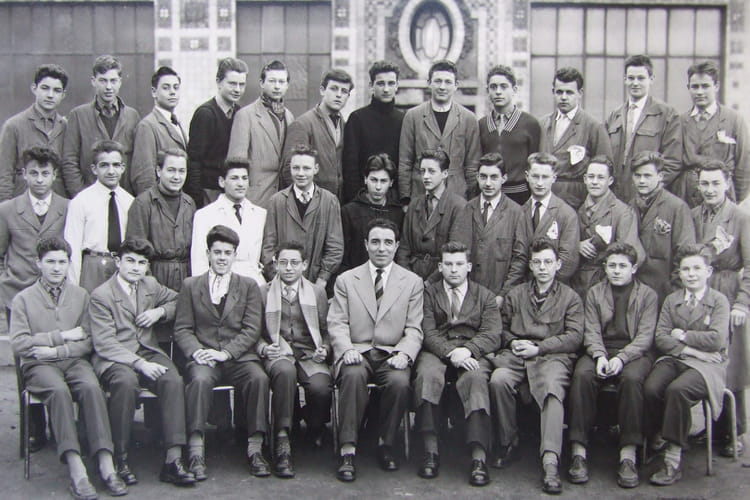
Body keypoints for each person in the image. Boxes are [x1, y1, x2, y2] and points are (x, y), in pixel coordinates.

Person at [10, 237, 127, 500]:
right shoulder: (23, 299)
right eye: (50, 262)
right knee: (59, 392)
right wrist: (60, 336)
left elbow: (88, 340)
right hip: (38, 365)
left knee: (92, 388)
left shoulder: (81, 295)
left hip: (73, 361)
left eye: (62, 262)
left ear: (68, 264)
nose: (56, 268)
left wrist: (57, 350)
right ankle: (77, 469)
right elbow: (19, 343)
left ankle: (106, 463)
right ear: (38, 263)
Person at [89, 238, 195, 487]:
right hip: (116, 358)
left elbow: (179, 299)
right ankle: (120, 457)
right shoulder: (101, 295)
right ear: (118, 262)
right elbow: (104, 343)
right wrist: (139, 364)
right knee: (125, 384)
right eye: (130, 261)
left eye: (142, 263)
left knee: (172, 379)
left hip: (148, 350)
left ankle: (173, 460)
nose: (136, 268)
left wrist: (159, 312)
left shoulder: (150, 284)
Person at [328, 218, 423, 482]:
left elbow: (414, 328)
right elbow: (337, 322)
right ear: (366, 244)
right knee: (352, 375)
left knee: (399, 382)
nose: (382, 248)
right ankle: (348, 449)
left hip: (391, 352)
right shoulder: (347, 280)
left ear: (397, 246)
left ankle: (386, 443)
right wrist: (346, 349)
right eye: (376, 242)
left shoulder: (412, 282)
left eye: (388, 242)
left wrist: (404, 354)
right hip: (357, 350)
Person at [175, 225, 272, 479]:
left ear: (235, 255)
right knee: (198, 380)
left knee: (258, 378)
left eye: (227, 253)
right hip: (204, 358)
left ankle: (255, 448)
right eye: (217, 252)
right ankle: (196, 450)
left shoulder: (248, 286)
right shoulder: (191, 285)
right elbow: (183, 328)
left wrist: (227, 353)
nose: (222, 258)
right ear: (208, 253)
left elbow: (252, 329)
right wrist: (197, 351)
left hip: (238, 357)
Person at [490, 238, 583, 494]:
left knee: (552, 389)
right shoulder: (516, 294)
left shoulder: (571, 298)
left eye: (548, 262)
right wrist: (513, 342)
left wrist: (540, 348)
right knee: (498, 380)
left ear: (558, 265)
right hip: (517, 355)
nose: (543, 267)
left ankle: (550, 460)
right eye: (538, 262)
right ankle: (509, 442)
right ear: (530, 265)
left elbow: (575, 336)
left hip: (553, 356)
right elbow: (500, 328)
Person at [567, 243, 658, 488]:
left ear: (633, 268)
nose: (616, 271)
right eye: (612, 266)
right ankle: (578, 452)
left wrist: (622, 358)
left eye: (622, 266)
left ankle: (628, 455)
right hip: (601, 350)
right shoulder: (595, 292)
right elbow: (591, 330)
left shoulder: (648, 295)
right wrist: (599, 356)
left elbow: (645, 337)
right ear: (605, 267)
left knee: (632, 380)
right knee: (582, 375)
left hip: (634, 353)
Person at [414, 241, 501, 486]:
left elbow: (493, 333)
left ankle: (478, 457)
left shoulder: (485, 296)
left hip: (472, 351)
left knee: (476, 379)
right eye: (449, 264)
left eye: (459, 264)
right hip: (438, 350)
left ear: (469, 267)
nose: (454, 270)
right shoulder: (429, 293)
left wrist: (468, 350)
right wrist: (450, 352)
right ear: (440, 267)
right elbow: (427, 331)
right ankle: (430, 451)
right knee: (427, 375)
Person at [644, 244, 730, 486]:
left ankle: (672, 459)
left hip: (708, 366)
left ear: (708, 272)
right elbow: (661, 337)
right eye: (685, 269)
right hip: (678, 357)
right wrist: (692, 350)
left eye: (696, 269)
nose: (691, 274)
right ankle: (661, 433)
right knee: (650, 387)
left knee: (678, 390)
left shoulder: (719, 301)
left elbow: (717, 339)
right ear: (679, 273)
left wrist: (682, 335)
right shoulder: (672, 300)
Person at [257, 241, 333, 473]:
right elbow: (255, 332)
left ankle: (314, 425)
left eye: (294, 263)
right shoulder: (263, 292)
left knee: (321, 387)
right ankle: (283, 437)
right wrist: (264, 348)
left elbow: (328, 330)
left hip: (309, 352)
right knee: (285, 373)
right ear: (275, 264)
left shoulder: (317, 292)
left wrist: (325, 348)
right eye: (283, 263)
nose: (288, 268)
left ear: (304, 265)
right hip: (278, 351)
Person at [691, 159, 750, 457]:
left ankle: (735, 431)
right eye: (705, 183)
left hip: (726, 289)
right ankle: (712, 426)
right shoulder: (693, 215)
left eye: (716, 183)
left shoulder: (739, 217)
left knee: (731, 363)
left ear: (727, 183)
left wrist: (742, 302)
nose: (710, 189)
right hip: (699, 290)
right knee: (705, 356)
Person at [262, 144, 343, 289]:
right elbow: (268, 246)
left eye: (306, 168)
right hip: (282, 281)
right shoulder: (277, 201)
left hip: (315, 280)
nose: (300, 173)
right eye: (296, 168)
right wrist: (278, 279)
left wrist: (322, 280)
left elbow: (335, 247)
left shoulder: (329, 201)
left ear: (316, 169)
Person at [399, 59, 480, 204]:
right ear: (429, 83)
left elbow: (472, 166)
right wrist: (406, 200)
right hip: (421, 195)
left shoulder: (469, 118)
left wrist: (472, 202)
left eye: (448, 82)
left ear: (456, 85)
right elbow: (405, 162)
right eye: (438, 81)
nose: (442, 87)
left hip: (457, 195)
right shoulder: (413, 116)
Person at [454, 153, 528, 309]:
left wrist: (503, 294)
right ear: (477, 177)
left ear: (504, 178)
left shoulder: (516, 213)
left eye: (494, 177)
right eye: (483, 177)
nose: (488, 183)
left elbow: (519, 259)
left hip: (499, 296)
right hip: (468, 294)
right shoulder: (467, 208)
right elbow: (458, 252)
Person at [0, 146, 69, 315]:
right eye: (33, 173)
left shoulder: (68, 208)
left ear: (54, 175)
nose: (39, 180)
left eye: (45, 174)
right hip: (15, 293)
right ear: (24, 174)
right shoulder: (7, 209)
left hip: (55, 294)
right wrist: (5, 281)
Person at [605, 55, 681, 202]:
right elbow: (606, 157)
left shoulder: (666, 115)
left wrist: (650, 191)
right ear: (625, 79)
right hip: (617, 197)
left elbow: (673, 162)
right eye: (631, 78)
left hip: (650, 199)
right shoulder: (614, 116)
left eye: (641, 78)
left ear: (651, 79)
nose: (635, 83)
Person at [62, 55, 140, 197]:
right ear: (93, 81)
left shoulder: (132, 116)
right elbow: (69, 162)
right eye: (103, 81)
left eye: (113, 81)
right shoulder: (78, 115)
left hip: (123, 197)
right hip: (90, 197)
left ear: (120, 82)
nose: (108, 87)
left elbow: (137, 162)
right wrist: (83, 196)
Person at [676, 61, 750, 207]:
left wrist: (734, 199)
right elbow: (673, 162)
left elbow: (744, 164)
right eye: (695, 87)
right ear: (688, 88)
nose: (700, 92)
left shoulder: (734, 120)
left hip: (722, 196)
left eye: (705, 86)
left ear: (716, 86)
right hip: (686, 197)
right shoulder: (679, 121)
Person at [64, 140, 134, 292]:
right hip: (93, 265)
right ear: (94, 169)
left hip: (121, 266)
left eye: (116, 165)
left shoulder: (129, 201)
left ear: (123, 168)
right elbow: (73, 247)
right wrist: (73, 288)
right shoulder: (81, 201)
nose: (111, 171)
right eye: (104, 165)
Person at [539, 67, 611, 209]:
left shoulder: (593, 126)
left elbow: (605, 168)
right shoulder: (542, 124)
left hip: (576, 202)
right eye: (559, 92)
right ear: (553, 92)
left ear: (580, 93)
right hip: (545, 197)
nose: (564, 97)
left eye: (569, 92)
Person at [629, 151, 695, 304]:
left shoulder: (676, 207)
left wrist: (675, 292)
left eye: (647, 176)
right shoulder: (630, 206)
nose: (642, 180)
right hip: (635, 290)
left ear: (660, 176)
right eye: (637, 175)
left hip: (664, 292)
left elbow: (686, 253)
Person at [573, 156, 644, 298]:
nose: (595, 182)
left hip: (607, 285)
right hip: (578, 282)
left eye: (600, 178)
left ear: (610, 181)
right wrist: (577, 245)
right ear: (585, 179)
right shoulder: (578, 208)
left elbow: (630, 253)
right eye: (591, 177)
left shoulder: (622, 212)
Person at [226, 59, 293, 208]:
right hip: (254, 198)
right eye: (272, 81)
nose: (277, 86)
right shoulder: (245, 115)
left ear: (287, 85)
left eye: (281, 82)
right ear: (262, 83)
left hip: (283, 199)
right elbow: (236, 163)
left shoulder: (289, 116)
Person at [126, 148, 195, 291]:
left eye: (181, 171)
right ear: (158, 171)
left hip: (185, 277)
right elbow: (136, 251)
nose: (177, 177)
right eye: (171, 170)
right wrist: (150, 286)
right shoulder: (143, 203)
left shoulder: (189, 204)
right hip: (155, 277)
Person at [191, 158, 266, 285]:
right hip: (220, 284)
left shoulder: (260, 214)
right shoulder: (205, 215)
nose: (240, 184)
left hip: (254, 284)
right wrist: (202, 290)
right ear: (222, 182)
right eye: (234, 178)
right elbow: (199, 261)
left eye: (244, 178)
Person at [281, 69, 353, 198]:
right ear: (322, 90)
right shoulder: (302, 124)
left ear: (348, 96)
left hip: (338, 202)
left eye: (344, 91)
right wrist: (308, 200)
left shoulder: (345, 125)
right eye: (334, 89)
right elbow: (289, 169)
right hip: (311, 202)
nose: (339, 95)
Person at [0, 64, 68, 201]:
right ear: (34, 88)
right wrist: (5, 207)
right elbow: (4, 173)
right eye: (45, 88)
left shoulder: (66, 126)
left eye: (56, 90)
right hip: (23, 202)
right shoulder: (13, 125)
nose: (50, 95)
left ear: (63, 95)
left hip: (57, 204)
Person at [187, 57, 249, 207]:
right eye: (232, 83)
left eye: (241, 84)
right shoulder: (205, 114)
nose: (237, 89)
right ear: (218, 82)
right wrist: (197, 200)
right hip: (209, 193)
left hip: (232, 192)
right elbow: (194, 162)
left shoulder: (240, 113)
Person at [397, 149, 465, 280]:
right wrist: (408, 280)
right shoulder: (414, 204)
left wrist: (429, 283)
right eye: (422, 171)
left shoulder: (458, 206)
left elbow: (453, 254)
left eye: (431, 171)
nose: (426, 176)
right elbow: (403, 249)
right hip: (411, 277)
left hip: (441, 279)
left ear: (445, 173)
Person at [342, 60, 404, 203]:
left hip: (394, 202)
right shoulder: (357, 119)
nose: (386, 89)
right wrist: (357, 201)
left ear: (397, 86)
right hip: (362, 199)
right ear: (371, 86)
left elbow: (405, 164)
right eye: (381, 84)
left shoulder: (404, 119)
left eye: (391, 83)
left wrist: (400, 200)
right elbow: (350, 166)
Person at [478, 64, 541, 205]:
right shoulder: (481, 125)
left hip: (520, 196)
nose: (498, 92)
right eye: (493, 87)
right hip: (489, 194)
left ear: (514, 90)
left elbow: (535, 165)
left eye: (503, 87)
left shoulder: (530, 123)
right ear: (488, 91)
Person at [341, 153, 404, 273]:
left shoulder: (397, 213)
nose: (378, 187)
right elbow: (344, 255)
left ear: (391, 182)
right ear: (365, 179)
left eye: (383, 181)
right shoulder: (349, 212)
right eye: (373, 180)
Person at [522, 152, 579, 282]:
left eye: (545, 177)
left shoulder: (566, 214)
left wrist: (543, 283)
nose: (539, 183)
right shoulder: (520, 212)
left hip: (554, 286)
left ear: (554, 178)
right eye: (535, 176)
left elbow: (568, 261)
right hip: (524, 286)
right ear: (527, 176)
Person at [130, 66, 187, 196]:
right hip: (160, 201)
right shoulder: (147, 126)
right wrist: (153, 206)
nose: (172, 92)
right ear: (154, 92)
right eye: (166, 88)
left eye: (176, 87)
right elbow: (144, 176)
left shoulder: (176, 122)